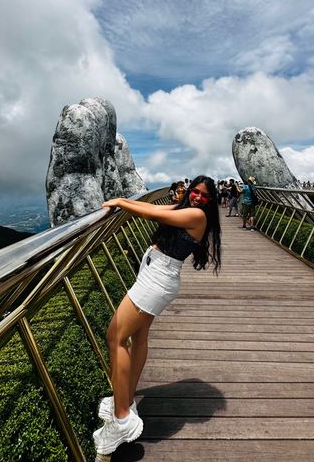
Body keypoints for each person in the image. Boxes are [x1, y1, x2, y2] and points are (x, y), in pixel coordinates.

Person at [93, 175, 222, 455]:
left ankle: (123, 415)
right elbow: (155, 208)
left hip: (158, 279)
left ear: (210, 201)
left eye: (205, 195)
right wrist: (124, 202)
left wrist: (119, 202)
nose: (199, 197)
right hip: (155, 274)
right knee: (138, 339)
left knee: (115, 336)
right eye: (195, 192)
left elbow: (150, 213)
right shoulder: (182, 207)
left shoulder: (197, 215)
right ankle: (126, 398)